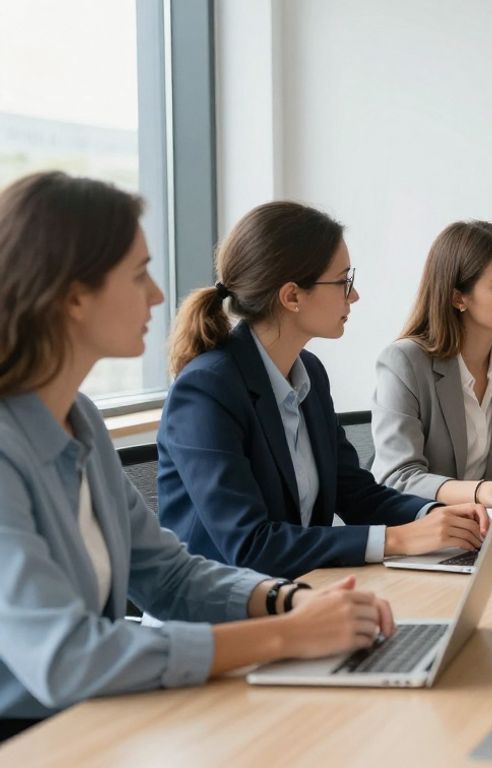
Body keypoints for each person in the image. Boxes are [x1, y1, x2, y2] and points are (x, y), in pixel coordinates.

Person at [0, 172, 395, 741]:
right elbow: (67, 658)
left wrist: (288, 601)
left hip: (98, 721)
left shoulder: (79, 418)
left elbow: (168, 574)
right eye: (139, 275)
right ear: (73, 296)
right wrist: (288, 633)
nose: (159, 295)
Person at [158, 202, 489, 580]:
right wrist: (397, 540)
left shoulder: (309, 374)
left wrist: (433, 516)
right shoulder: (207, 390)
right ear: (292, 296)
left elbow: (356, 493)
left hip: (298, 591)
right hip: (217, 616)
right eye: (343, 280)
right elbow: (251, 546)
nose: (355, 296)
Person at [371, 221, 492, 507]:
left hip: (486, 531)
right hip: (425, 534)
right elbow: (398, 477)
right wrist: (488, 492)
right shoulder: (404, 362)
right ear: (458, 297)